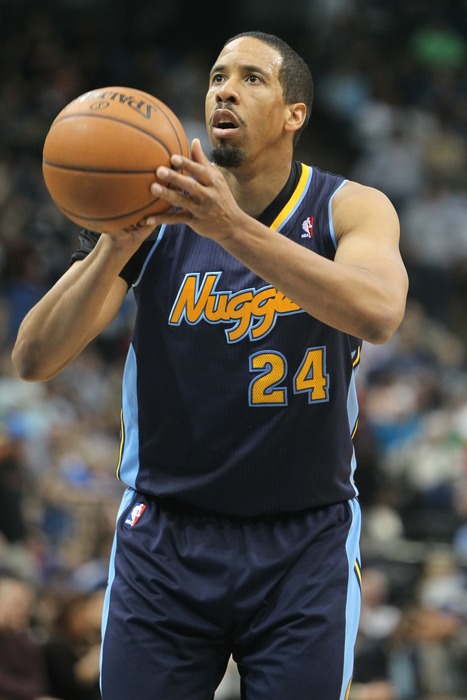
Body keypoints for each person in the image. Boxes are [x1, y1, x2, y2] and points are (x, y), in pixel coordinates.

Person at [11, 31, 408, 700]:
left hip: (302, 542)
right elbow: (33, 357)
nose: (224, 88)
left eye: (251, 78)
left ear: (293, 114)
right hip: (165, 534)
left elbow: (377, 313)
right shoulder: (155, 214)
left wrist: (230, 229)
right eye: (218, 76)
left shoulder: (347, 208)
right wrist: (115, 246)